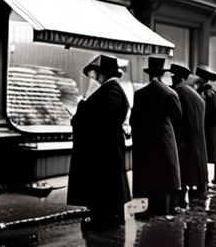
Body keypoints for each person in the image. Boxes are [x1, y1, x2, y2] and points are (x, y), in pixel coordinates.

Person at [67, 55, 130, 229]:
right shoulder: (111, 90)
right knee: (107, 183)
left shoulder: (111, 90)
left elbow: (100, 119)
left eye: (96, 74)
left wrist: (82, 108)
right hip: (106, 147)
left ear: (103, 74)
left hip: (105, 148)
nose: (94, 78)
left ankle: (105, 218)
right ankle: (106, 215)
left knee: (105, 183)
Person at [131, 56, 182, 216]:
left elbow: (134, 119)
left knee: (150, 171)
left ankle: (151, 207)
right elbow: (178, 116)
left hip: (146, 139)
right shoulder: (170, 93)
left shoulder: (140, 94)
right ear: (163, 74)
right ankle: (165, 207)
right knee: (165, 172)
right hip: (165, 138)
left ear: (149, 74)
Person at [169, 63, 208, 208]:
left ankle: (178, 201)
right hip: (196, 141)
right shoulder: (194, 94)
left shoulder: (177, 93)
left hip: (183, 141)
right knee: (193, 174)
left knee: (182, 174)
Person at [195, 65, 216, 186]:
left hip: (209, 130)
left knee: (210, 155)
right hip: (214, 129)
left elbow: (210, 114)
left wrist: (204, 124)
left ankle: (208, 181)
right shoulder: (213, 93)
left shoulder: (207, 94)